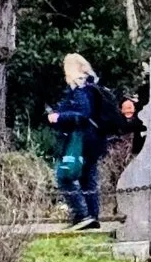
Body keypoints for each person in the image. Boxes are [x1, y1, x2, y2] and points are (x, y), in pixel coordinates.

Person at [46, 53, 109, 228]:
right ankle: (91, 217)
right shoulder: (93, 86)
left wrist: (58, 117)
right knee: (88, 178)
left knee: (64, 176)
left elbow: (83, 114)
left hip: (82, 139)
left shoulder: (79, 87)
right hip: (96, 140)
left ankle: (81, 214)